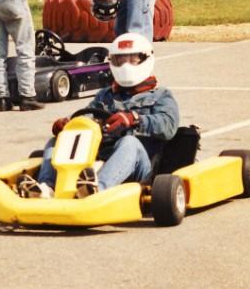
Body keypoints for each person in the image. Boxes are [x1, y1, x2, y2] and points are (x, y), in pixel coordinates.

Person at [17, 32, 180, 199]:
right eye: (120, 60)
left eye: (132, 59)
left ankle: (97, 190)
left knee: (129, 142)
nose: (126, 66)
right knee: (57, 140)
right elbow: (87, 117)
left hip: (141, 168)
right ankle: (47, 188)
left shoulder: (161, 95)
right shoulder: (105, 95)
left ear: (146, 59)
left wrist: (135, 119)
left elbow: (169, 126)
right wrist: (69, 125)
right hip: (97, 158)